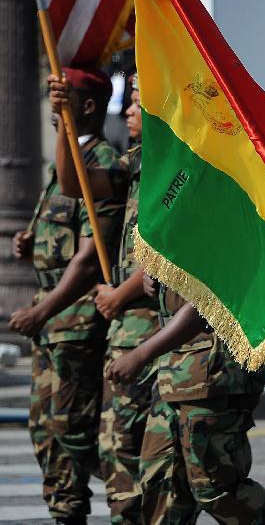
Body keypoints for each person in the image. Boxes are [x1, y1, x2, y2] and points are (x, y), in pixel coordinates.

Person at [10, 67, 122, 525]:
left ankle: (136, 496)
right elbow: (59, 238)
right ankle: (65, 513)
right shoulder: (65, 164)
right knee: (46, 432)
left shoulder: (101, 164)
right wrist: (29, 240)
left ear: (88, 106)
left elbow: (89, 260)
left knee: (74, 431)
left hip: (74, 324)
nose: (54, 106)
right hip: (51, 326)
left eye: (63, 98)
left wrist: (41, 310)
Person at [49, 72, 158, 523]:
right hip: (126, 326)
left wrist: (121, 292)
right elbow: (74, 181)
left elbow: (169, 257)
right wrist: (63, 118)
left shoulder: (175, 171)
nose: (128, 112)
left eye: (135, 103)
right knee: (116, 449)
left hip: (154, 324)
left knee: (138, 454)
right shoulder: (135, 163)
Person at [106, 285, 265, 525]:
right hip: (175, 371)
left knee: (215, 489)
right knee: (163, 486)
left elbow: (208, 298)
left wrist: (141, 354)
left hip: (214, 370)